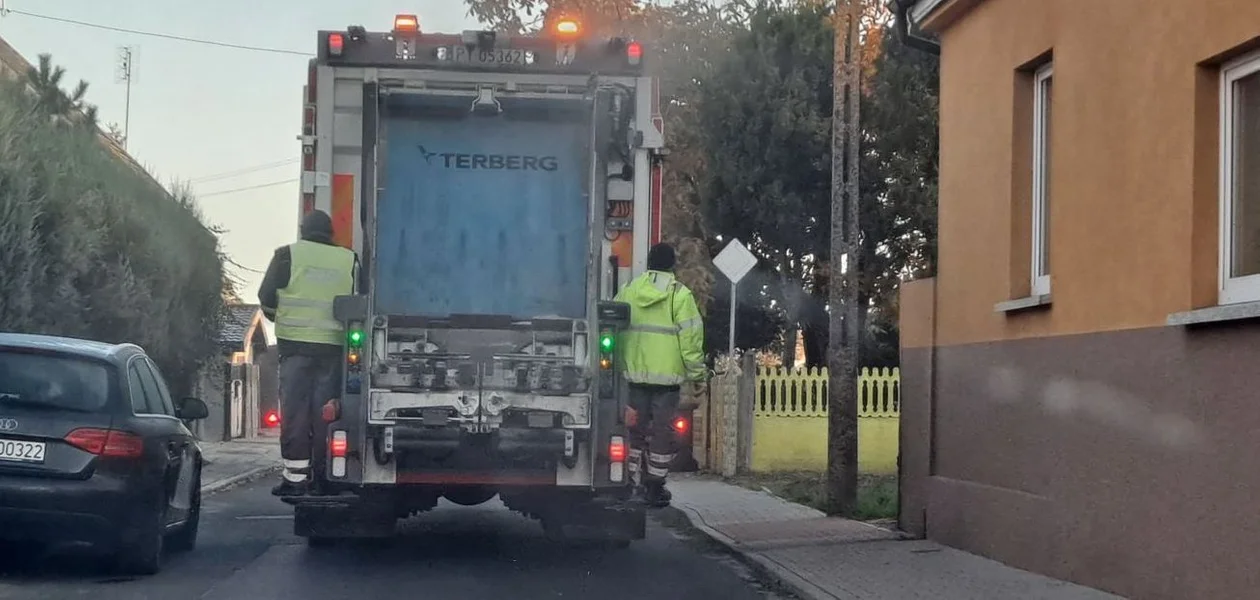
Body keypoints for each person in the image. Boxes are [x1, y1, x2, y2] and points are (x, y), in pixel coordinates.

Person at [258, 210, 357, 497]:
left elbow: (266, 297)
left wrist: (279, 318)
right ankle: (325, 478)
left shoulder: (286, 255)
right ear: (331, 233)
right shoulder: (348, 259)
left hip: (294, 349)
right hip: (333, 348)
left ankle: (296, 479)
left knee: (295, 413)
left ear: (303, 229)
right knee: (326, 414)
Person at [614, 243, 706, 508]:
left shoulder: (630, 291)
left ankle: (628, 481)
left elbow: (614, 329)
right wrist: (697, 373)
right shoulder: (680, 295)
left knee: (635, 431)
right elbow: (690, 341)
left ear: (649, 263)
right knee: (662, 433)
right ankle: (654, 486)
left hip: (633, 377)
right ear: (671, 265)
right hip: (667, 382)